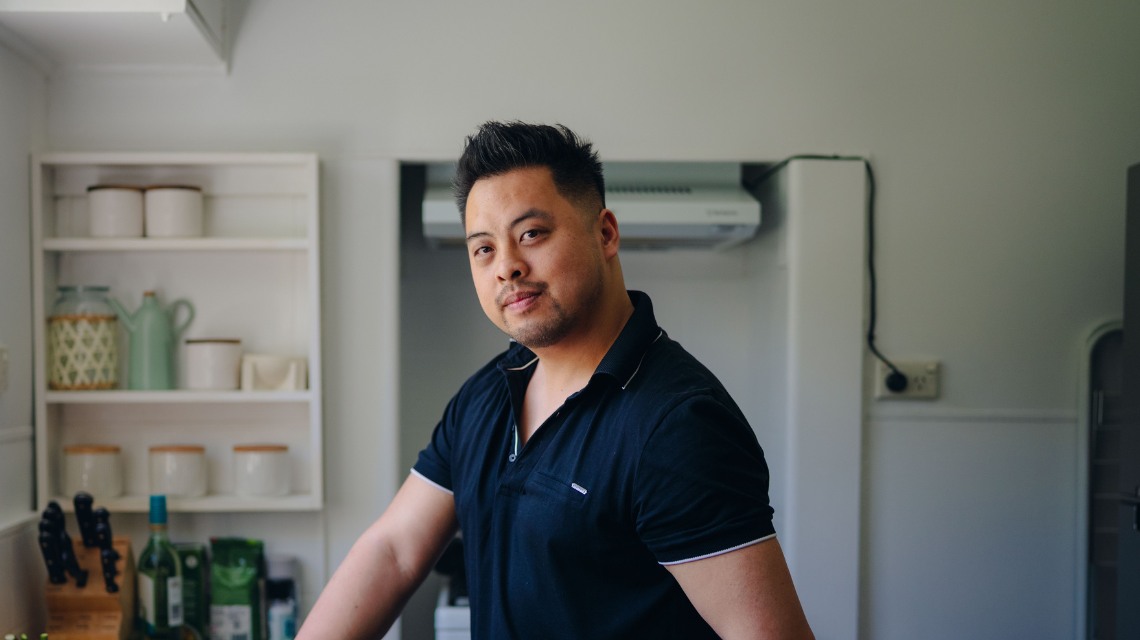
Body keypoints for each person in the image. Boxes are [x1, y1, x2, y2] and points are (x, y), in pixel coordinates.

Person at [298, 122, 814, 640]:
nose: (507, 268)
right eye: (484, 249)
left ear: (605, 233)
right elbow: (393, 551)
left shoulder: (676, 425)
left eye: (531, 234)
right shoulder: (486, 396)